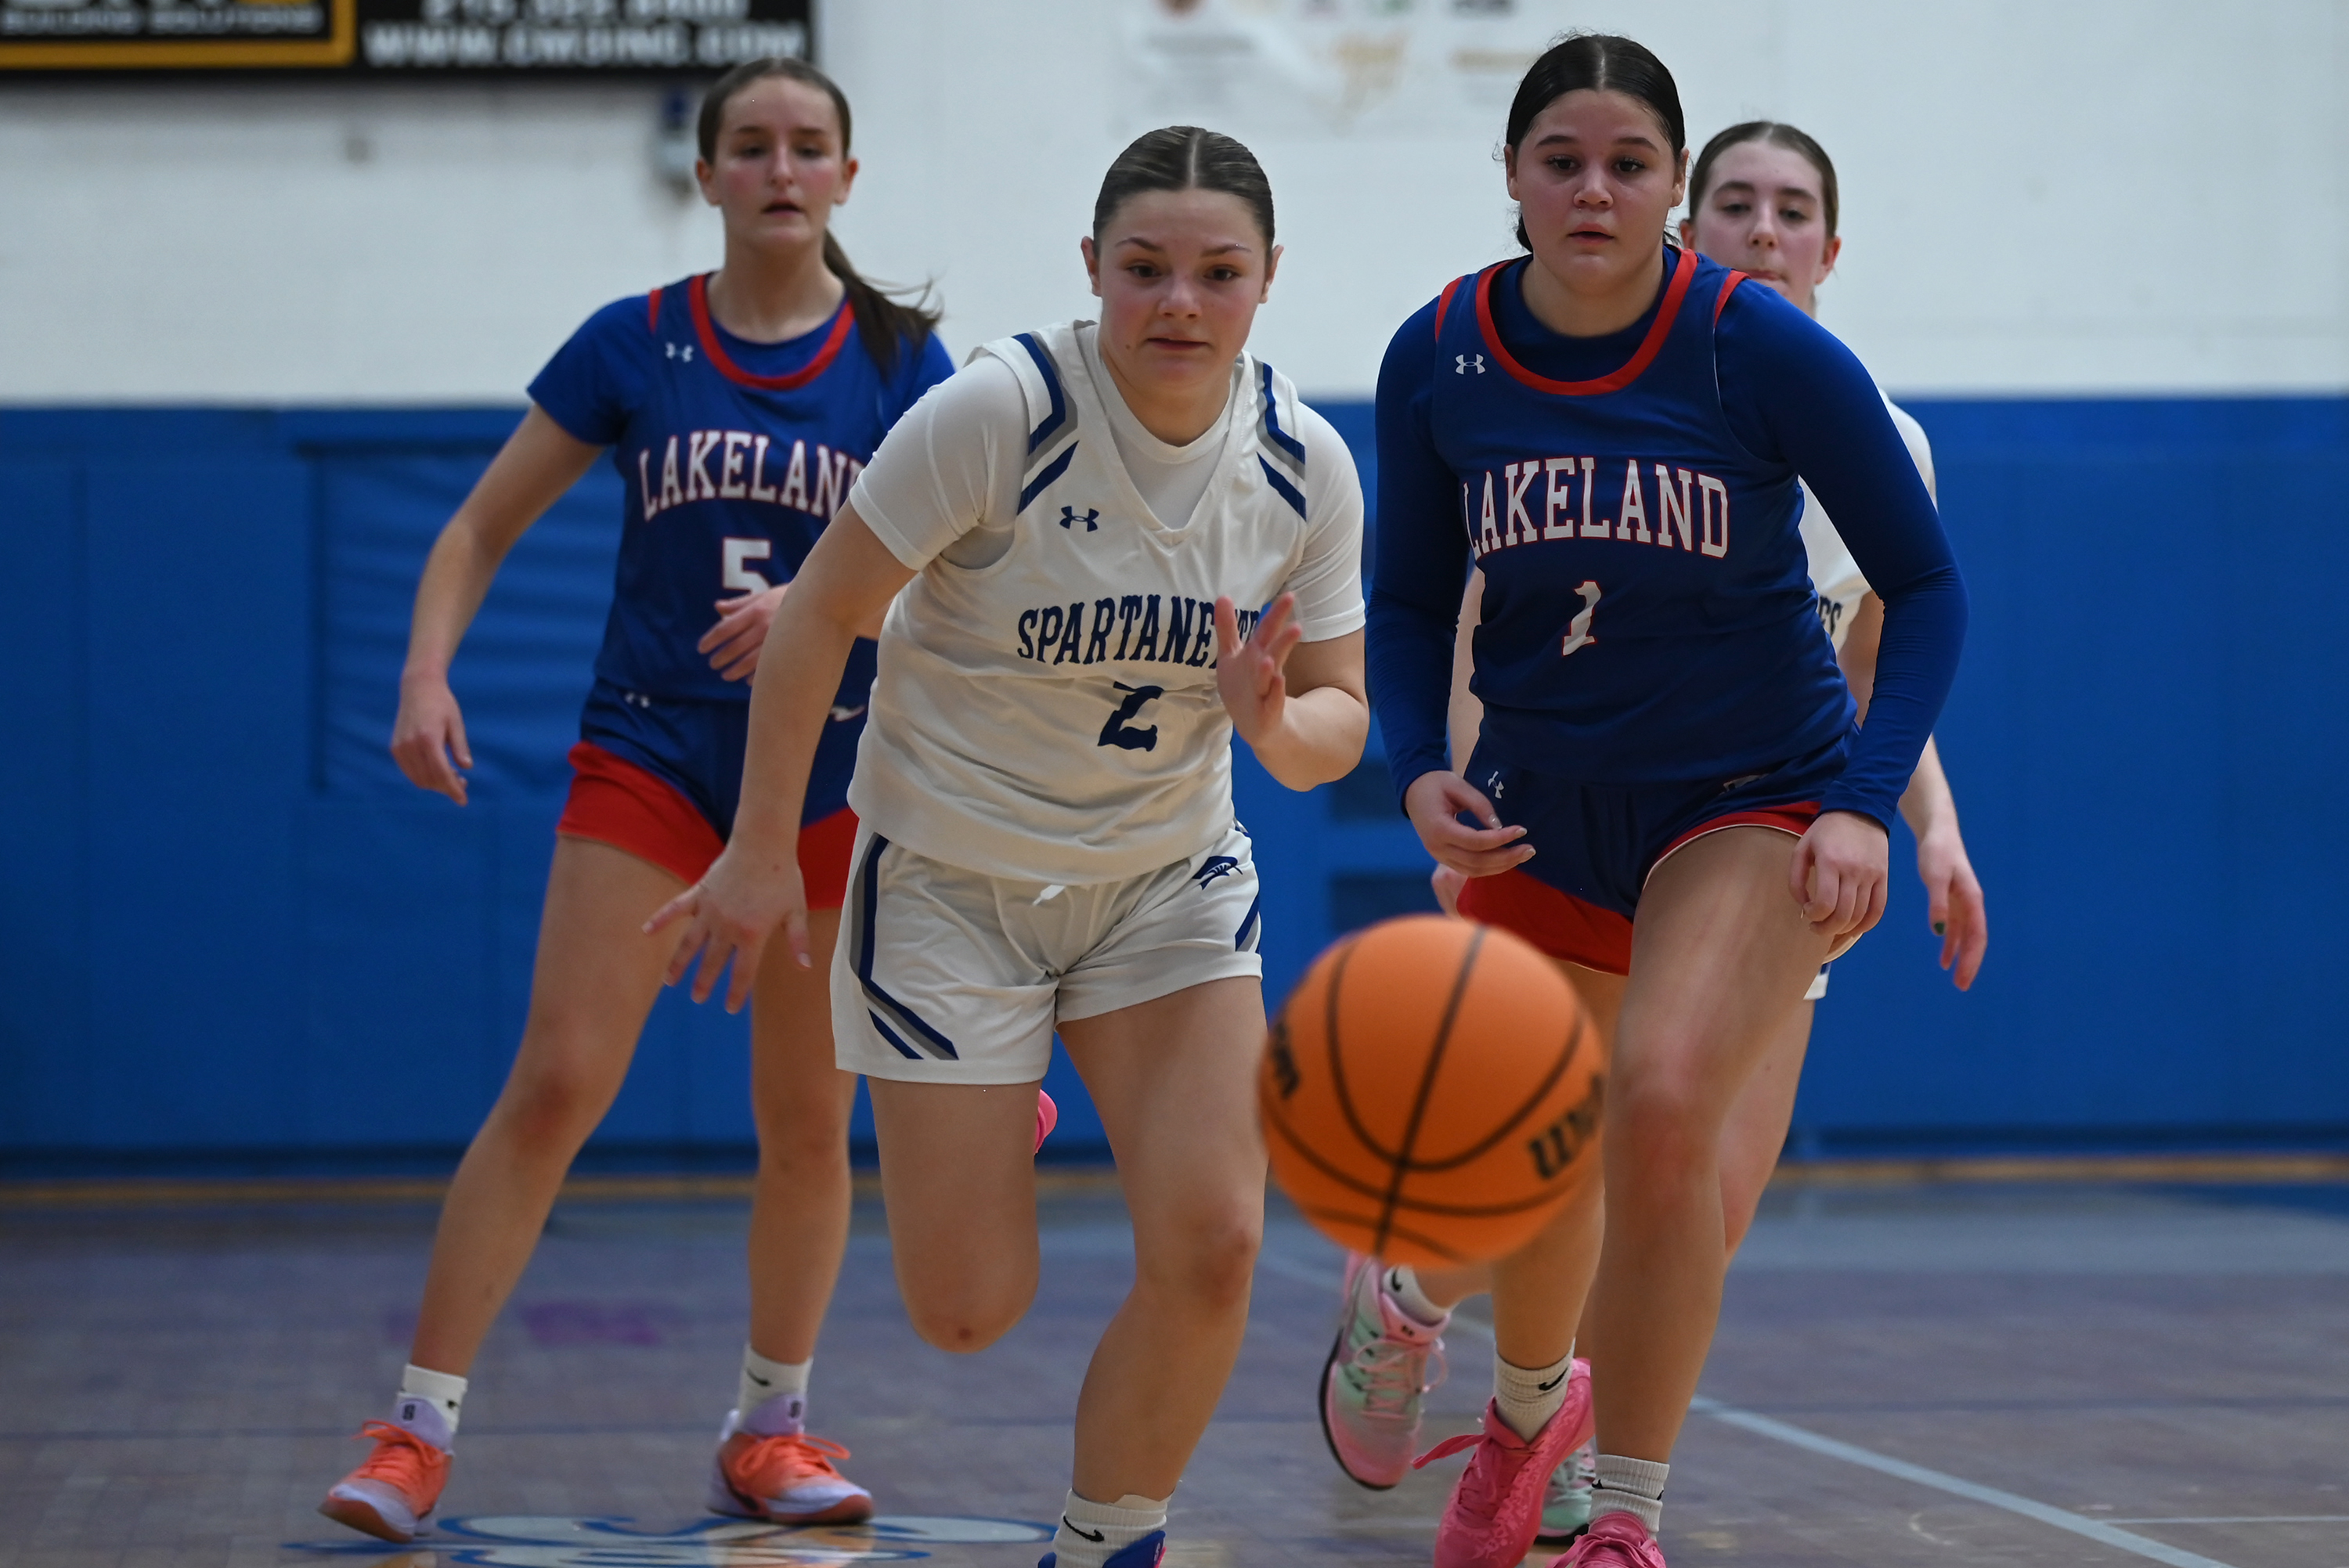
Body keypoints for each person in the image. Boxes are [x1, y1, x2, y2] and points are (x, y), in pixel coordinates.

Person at [649, 125, 1369, 1568]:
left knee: (1218, 1243)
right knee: (965, 1312)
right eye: (1146, 268)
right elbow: (817, 616)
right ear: (1091, 267)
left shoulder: (1303, 464)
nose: (1180, 301)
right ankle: (999, 1101)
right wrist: (761, 848)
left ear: (1269, 277)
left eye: (1218, 273)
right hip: (952, 886)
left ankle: (1109, 1538)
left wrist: (1274, 726)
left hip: (1166, 882)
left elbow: (1339, 717)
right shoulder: (1000, 414)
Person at [316, 58, 958, 1545]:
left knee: (807, 1122)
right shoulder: (637, 342)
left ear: (848, 177)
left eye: (809, 146)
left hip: (832, 773)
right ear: (708, 173)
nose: (783, 169)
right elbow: (476, 528)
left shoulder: (904, 362)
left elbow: (962, 576)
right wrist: (424, 674)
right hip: (654, 754)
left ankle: (771, 1429)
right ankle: (416, 1428)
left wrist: (827, 604)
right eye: (754, 145)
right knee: (557, 1084)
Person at [1324, 117, 1990, 1547]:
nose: (1764, 228)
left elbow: (1869, 660)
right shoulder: (1610, 378)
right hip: (1576, 796)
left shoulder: (1886, 436)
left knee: (1695, 1185)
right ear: (1694, 222)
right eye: (1737, 201)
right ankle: (1416, 1298)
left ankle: (1592, 1473)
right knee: (1556, 1155)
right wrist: (1450, 781)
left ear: (1831, 245)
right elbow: (1480, 605)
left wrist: (1929, 824)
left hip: (1767, 820)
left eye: (1793, 207)